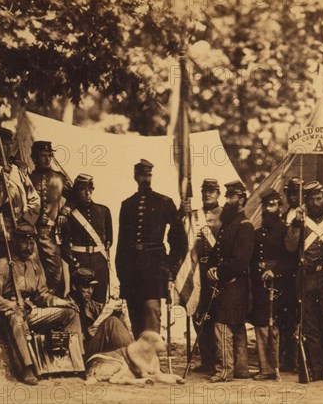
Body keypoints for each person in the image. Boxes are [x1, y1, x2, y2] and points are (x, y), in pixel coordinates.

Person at [0, 223, 82, 385]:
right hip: (7, 316)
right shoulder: (3, 265)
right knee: (16, 319)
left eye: (31, 243)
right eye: (24, 242)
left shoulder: (34, 267)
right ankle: (26, 368)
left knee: (70, 313)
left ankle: (76, 361)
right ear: (14, 242)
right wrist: (11, 305)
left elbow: (42, 295)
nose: (28, 247)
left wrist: (61, 302)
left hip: (30, 311)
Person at [115, 159, 188, 338]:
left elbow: (179, 240)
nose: (145, 179)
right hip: (132, 269)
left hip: (154, 268)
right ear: (135, 177)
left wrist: (170, 268)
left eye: (148, 175)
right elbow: (122, 242)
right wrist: (122, 273)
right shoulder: (127, 205)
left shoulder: (164, 202)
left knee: (152, 310)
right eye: (142, 175)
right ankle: (141, 359)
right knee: (135, 314)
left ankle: (153, 357)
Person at [285, 181, 323, 383]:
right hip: (308, 278)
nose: (315, 202)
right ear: (306, 201)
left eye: (318, 198)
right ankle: (317, 369)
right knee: (310, 326)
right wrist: (295, 223)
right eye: (310, 199)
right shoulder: (301, 222)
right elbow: (291, 247)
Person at [207, 181, 254, 383]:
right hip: (228, 282)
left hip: (235, 283)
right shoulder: (230, 224)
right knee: (236, 325)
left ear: (241, 200)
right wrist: (210, 266)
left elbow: (241, 260)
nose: (226, 201)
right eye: (226, 197)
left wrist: (219, 271)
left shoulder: (245, 226)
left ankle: (224, 371)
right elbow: (217, 251)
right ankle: (241, 369)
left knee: (223, 324)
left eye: (231, 197)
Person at [250, 188, 293, 380]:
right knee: (260, 323)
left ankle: (277, 365)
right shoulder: (257, 232)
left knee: (275, 324)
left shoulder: (285, 231)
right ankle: (264, 368)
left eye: (273, 205)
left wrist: (274, 271)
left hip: (279, 284)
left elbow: (291, 259)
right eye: (266, 205)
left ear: (279, 207)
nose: (269, 209)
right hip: (260, 283)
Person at [0, 128, 40, 259]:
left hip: (24, 231)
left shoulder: (17, 169)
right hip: (5, 234)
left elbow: (34, 198)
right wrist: (5, 178)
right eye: (5, 144)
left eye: (10, 143)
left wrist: (26, 221)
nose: (9, 147)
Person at [29, 140, 72, 296]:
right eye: (43, 156)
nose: (47, 159)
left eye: (49, 155)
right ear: (34, 158)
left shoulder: (59, 178)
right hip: (30, 235)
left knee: (56, 275)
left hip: (50, 234)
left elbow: (73, 197)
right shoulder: (27, 178)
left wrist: (64, 211)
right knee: (32, 274)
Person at [61, 174, 113, 303]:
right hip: (79, 262)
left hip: (99, 263)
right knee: (79, 302)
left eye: (90, 190)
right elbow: (64, 245)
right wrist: (74, 264)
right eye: (83, 190)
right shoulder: (70, 215)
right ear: (77, 191)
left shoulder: (104, 211)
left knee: (99, 300)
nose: (88, 193)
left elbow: (108, 241)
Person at [190, 178, 222, 373]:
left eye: (212, 191)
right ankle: (207, 359)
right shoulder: (194, 216)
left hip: (216, 270)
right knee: (197, 312)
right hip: (196, 270)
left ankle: (219, 360)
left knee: (216, 314)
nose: (208, 194)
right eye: (205, 191)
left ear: (218, 193)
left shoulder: (225, 215)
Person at [70, 268, 133, 359]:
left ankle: (134, 355)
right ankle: (135, 356)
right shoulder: (66, 307)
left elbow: (104, 310)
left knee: (114, 319)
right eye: (86, 287)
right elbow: (62, 341)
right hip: (79, 354)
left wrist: (116, 310)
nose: (90, 291)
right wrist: (84, 335)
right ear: (74, 287)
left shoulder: (89, 304)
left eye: (92, 287)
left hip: (91, 348)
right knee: (112, 322)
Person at [279, 177, 304, 371]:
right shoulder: (284, 215)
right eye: (291, 193)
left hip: (302, 271)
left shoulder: (307, 215)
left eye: (297, 192)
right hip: (286, 272)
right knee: (285, 315)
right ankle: (285, 356)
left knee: (300, 316)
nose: (293, 196)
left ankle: (298, 359)